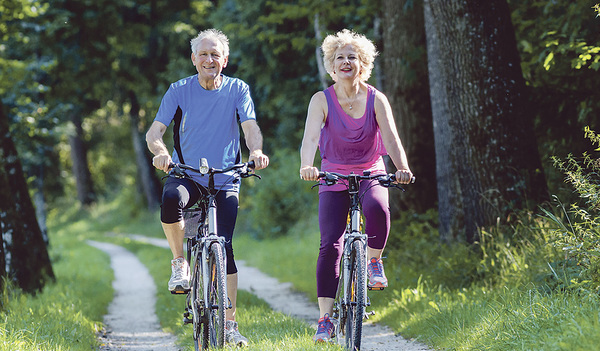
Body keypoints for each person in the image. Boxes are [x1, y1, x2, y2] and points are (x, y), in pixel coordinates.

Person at [146, 28, 269, 347]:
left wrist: (255, 151)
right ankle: (179, 263)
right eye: (203, 53)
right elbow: (154, 133)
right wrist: (161, 154)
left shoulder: (238, 89)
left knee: (224, 248)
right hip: (186, 174)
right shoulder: (178, 90)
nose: (209, 59)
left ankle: (229, 325)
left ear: (224, 60)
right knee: (171, 198)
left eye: (215, 54)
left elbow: (250, 127)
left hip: (226, 176)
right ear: (193, 59)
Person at [299, 29, 413, 343]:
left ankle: (373, 261)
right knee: (329, 245)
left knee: (378, 209)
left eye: (352, 57)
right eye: (340, 58)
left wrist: (402, 168)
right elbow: (310, 138)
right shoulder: (321, 100)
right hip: (333, 174)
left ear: (362, 62)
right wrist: (307, 166)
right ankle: (325, 319)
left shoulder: (377, 99)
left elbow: (391, 138)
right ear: (331, 66)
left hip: (370, 171)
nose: (346, 62)